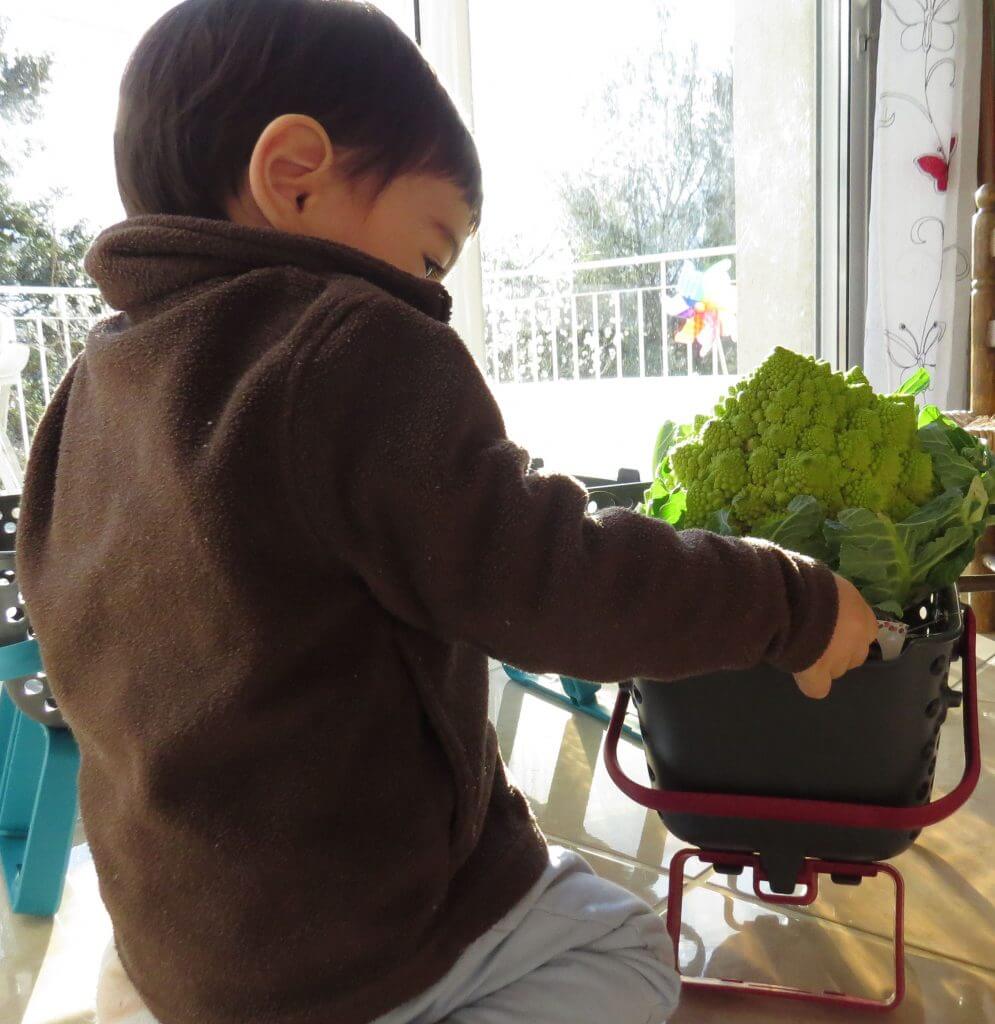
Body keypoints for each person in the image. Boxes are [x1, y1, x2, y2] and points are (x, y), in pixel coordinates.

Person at [14, 2, 879, 1023]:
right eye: (431, 255)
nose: (436, 296)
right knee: (628, 950)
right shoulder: (346, 342)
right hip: (363, 939)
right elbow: (559, 584)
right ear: (294, 174)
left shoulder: (87, 392)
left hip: (185, 950)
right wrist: (789, 602)